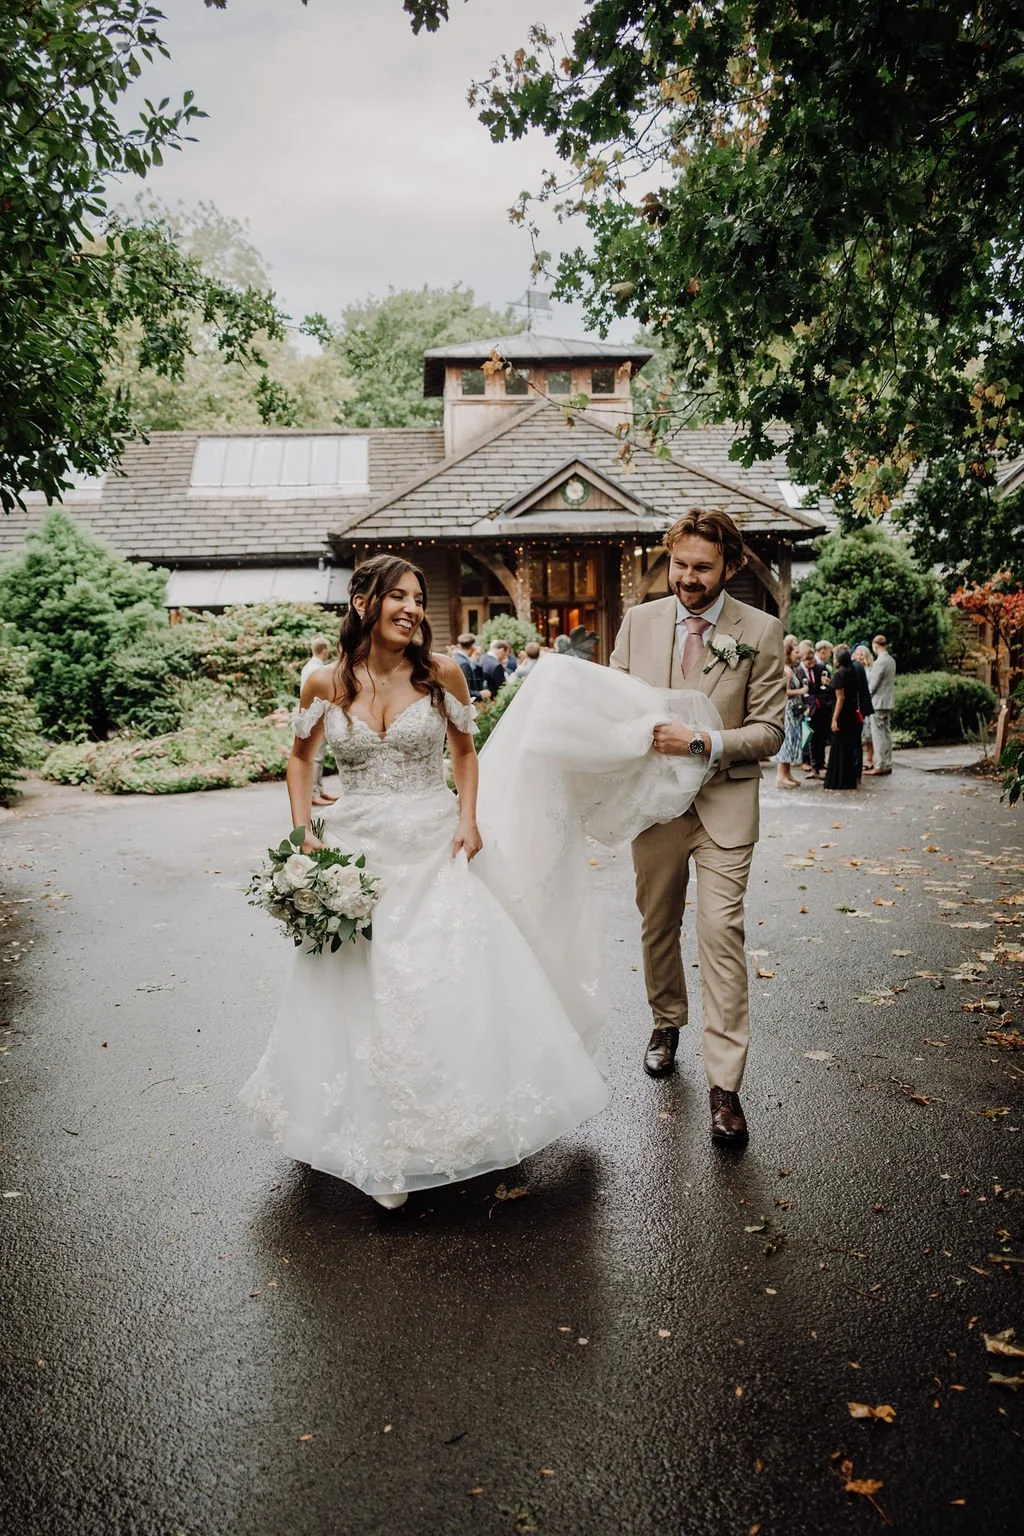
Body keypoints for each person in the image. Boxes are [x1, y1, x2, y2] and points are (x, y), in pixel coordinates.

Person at [240, 555, 609, 1210]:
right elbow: (300, 761)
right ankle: (377, 1138)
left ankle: (477, 1129)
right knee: (361, 993)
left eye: (417, 599)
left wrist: (469, 820)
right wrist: (303, 833)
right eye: (398, 598)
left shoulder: (442, 675)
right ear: (364, 603)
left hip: (434, 846)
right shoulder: (323, 684)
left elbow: (465, 755)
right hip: (358, 858)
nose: (412, 609)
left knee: (452, 985)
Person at [609, 507, 785, 1145]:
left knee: (721, 933)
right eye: (679, 564)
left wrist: (702, 742)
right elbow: (615, 707)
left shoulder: (760, 632)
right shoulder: (638, 622)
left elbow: (770, 732)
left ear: (729, 567)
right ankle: (666, 1020)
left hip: (723, 805)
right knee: (658, 921)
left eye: (701, 567)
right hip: (654, 806)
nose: (686, 577)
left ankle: (725, 1086)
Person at [299, 635, 337, 806]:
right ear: (324, 650)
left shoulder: (312, 666)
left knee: (319, 757)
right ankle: (313, 794)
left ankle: (320, 790)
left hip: (319, 716)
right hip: (317, 717)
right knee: (316, 756)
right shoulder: (315, 669)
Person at [823, 644, 861, 790]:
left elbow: (841, 698)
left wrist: (834, 718)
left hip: (842, 713)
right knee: (848, 746)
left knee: (838, 746)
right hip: (851, 712)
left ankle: (837, 779)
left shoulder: (839, 674)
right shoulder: (853, 672)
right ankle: (848, 779)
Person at [774, 635, 807, 789]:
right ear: (788, 653)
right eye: (795, 653)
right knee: (786, 741)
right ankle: (781, 776)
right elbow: (784, 691)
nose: (798, 656)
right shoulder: (786, 671)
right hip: (788, 710)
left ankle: (788, 773)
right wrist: (802, 690)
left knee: (793, 740)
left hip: (795, 711)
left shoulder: (794, 669)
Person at [865, 634, 896, 775]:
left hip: (877, 703)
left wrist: (865, 697)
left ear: (875, 645)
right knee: (886, 733)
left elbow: (873, 685)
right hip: (888, 701)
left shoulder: (880, 662)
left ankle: (880, 764)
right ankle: (887, 762)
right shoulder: (891, 660)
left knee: (878, 735)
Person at [804, 640, 834, 778]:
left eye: (811, 660)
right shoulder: (801, 670)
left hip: (823, 709)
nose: (809, 663)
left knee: (822, 738)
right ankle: (814, 766)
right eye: (806, 660)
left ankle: (820, 764)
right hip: (810, 709)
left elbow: (829, 689)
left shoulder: (822, 669)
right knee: (812, 739)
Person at [851, 644, 875, 777]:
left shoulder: (869, 670)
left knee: (869, 735)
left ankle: (870, 759)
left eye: (862, 654)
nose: (859, 656)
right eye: (857, 653)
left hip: (865, 704)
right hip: (859, 706)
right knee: (862, 736)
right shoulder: (854, 668)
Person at [453, 631, 483, 700]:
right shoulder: (464, 664)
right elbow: (465, 689)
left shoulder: (456, 658)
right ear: (472, 646)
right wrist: (480, 694)